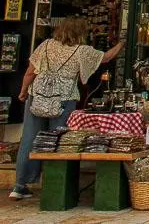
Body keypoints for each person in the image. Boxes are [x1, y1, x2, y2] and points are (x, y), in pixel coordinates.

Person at [11, 18, 123, 200]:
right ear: (81, 33)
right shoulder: (81, 51)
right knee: (61, 141)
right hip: (63, 99)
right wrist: (122, 43)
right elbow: (107, 57)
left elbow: (30, 72)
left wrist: (23, 91)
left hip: (37, 96)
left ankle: (20, 185)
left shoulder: (46, 45)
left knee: (30, 138)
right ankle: (55, 184)